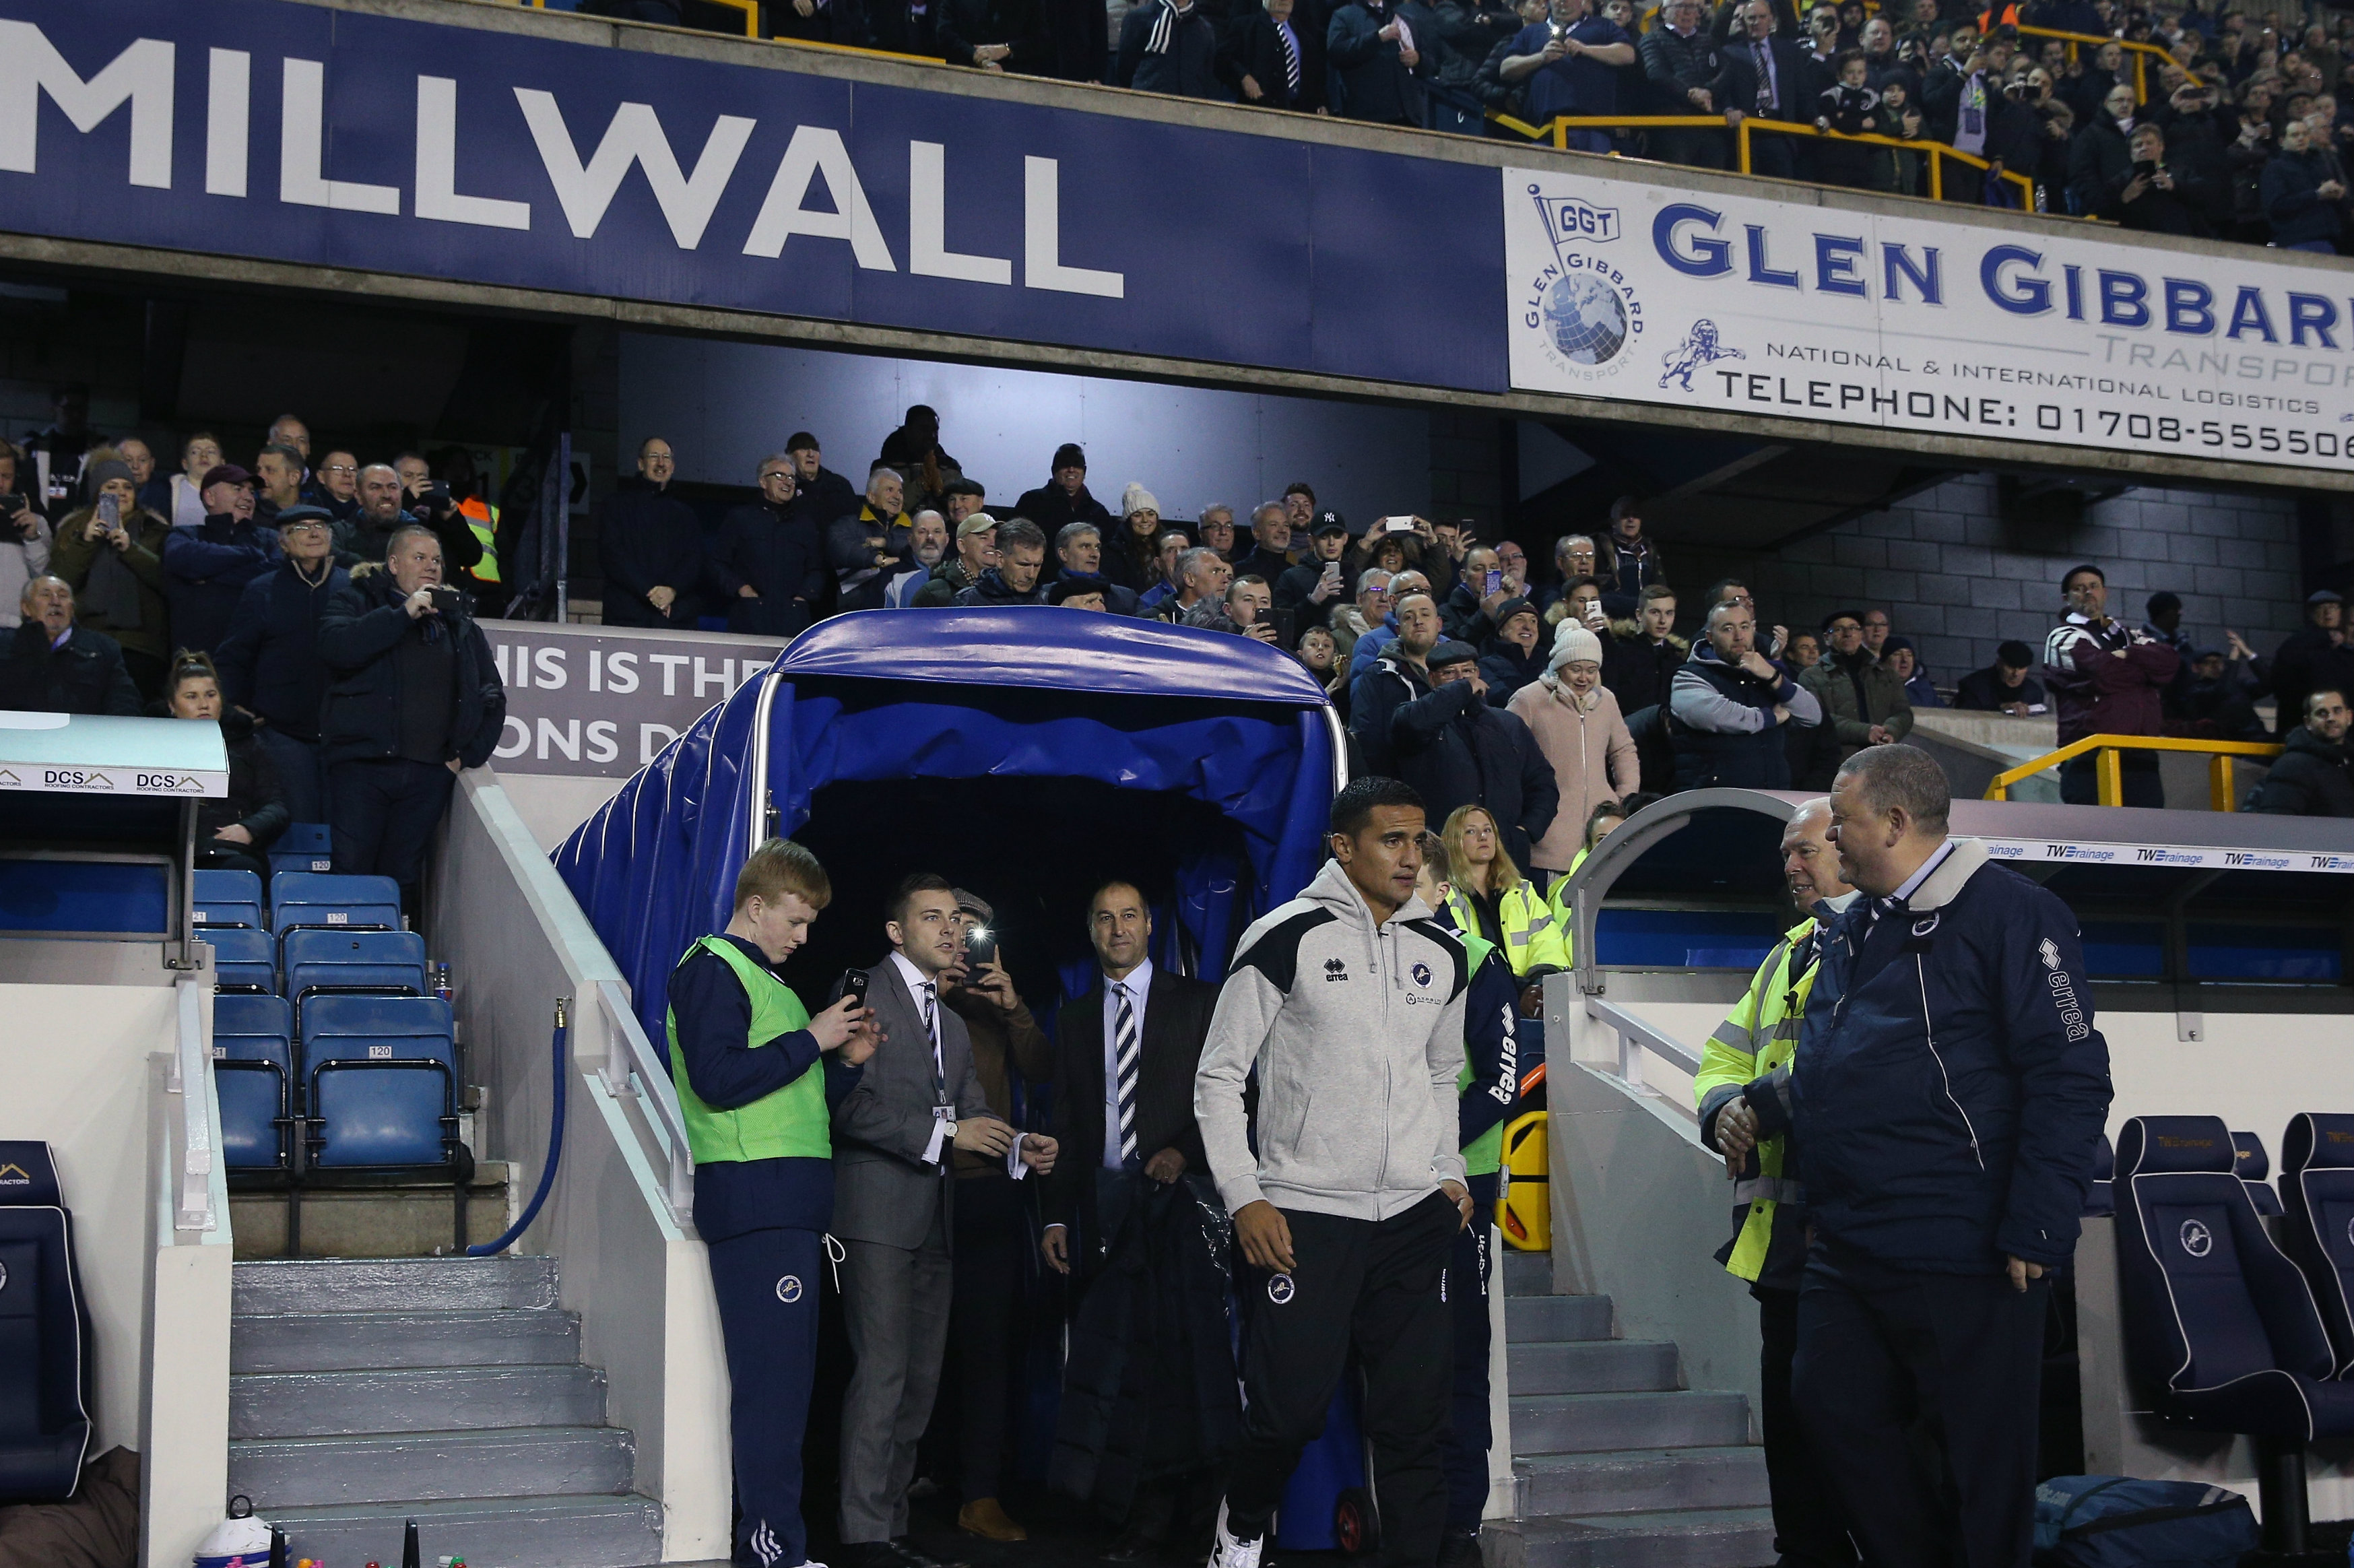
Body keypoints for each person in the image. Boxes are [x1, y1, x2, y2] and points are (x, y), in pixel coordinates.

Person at [1791, 746, 2112, 1567]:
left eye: (1843, 819)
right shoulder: (1854, 925)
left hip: (1966, 1244)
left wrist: (2038, 1227)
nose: (1829, 839)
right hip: (1849, 1239)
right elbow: (1834, 1062)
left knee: (1982, 1467)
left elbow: (2070, 1076)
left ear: (1896, 822)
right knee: (1830, 1412)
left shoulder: (2013, 912)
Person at [1196, 776, 1471, 1568]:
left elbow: (1443, 1074)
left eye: (1420, 840)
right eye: (1393, 840)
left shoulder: (1442, 949)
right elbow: (1219, 1077)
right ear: (1342, 847)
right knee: (1287, 1417)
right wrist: (1245, 1196)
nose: (1411, 857)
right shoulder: (1284, 936)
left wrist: (1448, 1172)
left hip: (1414, 1218)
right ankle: (1243, 1523)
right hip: (1305, 1215)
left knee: (1417, 1424)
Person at [831, 874, 1056, 1568]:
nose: (951, 932)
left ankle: (889, 1525)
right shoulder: (863, 995)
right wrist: (943, 1138)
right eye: (933, 919)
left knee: (921, 1379)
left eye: (956, 920)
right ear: (898, 932)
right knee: (884, 1374)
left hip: (939, 1216)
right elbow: (844, 1107)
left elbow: (971, 1110)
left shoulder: (954, 1024)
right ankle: (864, 1533)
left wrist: (1016, 1144)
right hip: (875, 1214)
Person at [666, 838, 878, 1568]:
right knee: (771, 1395)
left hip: (785, 1206)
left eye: (812, 923)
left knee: (786, 1391)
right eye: (795, 919)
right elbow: (719, 1080)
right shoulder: (711, 970)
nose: (803, 935)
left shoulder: (770, 987)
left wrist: (841, 1064)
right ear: (754, 907)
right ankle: (770, 1550)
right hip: (757, 1204)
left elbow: (796, 1103)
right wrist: (814, 1039)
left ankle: (778, 1545)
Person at [1042, 879, 1228, 1558]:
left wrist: (1184, 1150)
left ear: (1151, 925)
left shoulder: (1200, 1003)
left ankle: (1192, 1512)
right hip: (1105, 1211)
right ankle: (1136, 1513)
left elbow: (1234, 1097)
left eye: (1128, 916)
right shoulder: (1076, 1016)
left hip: (1180, 1213)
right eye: (1103, 918)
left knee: (1185, 1368)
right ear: (1091, 931)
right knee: (1120, 1368)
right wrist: (1056, 1217)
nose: (1117, 929)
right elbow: (1063, 1121)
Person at [1695, 799, 1858, 1568]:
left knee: (1853, 1443)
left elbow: (1846, 1056)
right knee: (1793, 1448)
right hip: (1781, 1253)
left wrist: (1754, 1109)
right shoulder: (1788, 950)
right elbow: (1724, 1054)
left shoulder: (1879, 937)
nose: (1792, 866)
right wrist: (1724, 1110)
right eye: (1786, 855)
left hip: (1850, 1247)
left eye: (1805, 851)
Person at [1412, 832, 1532, 1568]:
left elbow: (1501, 1083)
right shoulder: (1377, 966)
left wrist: (1430, 1147)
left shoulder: (1482, 967)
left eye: (1413, 879)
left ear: (1441, 890)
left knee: (1459, 1362)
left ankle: (1458, 1526)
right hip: (1384, 1191)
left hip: (1461, 1195)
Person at [934, 890, 1053, 1542]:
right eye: (949, 928)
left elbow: (1043, 1070)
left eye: (973, 933)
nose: (961, 941)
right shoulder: (913, 997)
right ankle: (920, 1472)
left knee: (987, 1346)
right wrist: (940, 993)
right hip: (916, 1185)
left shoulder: (996, 1003)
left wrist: (1013, 1008)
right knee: (912, 1347)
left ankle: (980, 1494)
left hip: (986, 1188)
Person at [316, 525, 507, 911]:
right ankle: (341, 964)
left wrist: (465, 755)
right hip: (362, 767)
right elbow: (337, 649)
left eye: (436, 560)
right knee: (351, 872)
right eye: (419, 558)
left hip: (428, 774)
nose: (431, 567)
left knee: (401, 878)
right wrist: (403, 614)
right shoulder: (355, 600)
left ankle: (388, 967)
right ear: (392, 564)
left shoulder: (460, 623)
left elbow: (491, 694)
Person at [214, 506, 350, 826]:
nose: (314, 533)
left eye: (320, 526)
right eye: (302, 528)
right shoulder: (262, 590)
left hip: (344, 731)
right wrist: (234, 707)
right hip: (284, 732)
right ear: (283, 542)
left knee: (344, 829)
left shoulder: (352, 588)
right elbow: (233, 656)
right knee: (298, 824)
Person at [1508, 623, 1637, 888]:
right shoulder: (1528, 699)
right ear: (1559, 666)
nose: (1584, 678)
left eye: (1592, 670)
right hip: (1546, 844)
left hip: (1599, 841)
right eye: (1575, 669)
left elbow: (1623, 749)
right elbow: (1503, 756)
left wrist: (1625, 797)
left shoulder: (1607, 700)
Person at [2041, 563, 2178, 808]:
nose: (2088, 593)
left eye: (2094, 586)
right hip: (2089, 757)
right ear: (2066, 598)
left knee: (2148, 836)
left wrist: (2127, 656)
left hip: (2142, 755)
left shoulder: (2130, 636)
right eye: (2079, 589)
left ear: (2105, 592)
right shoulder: (2062, 637)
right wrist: (2145, 672)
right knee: (2095, 838)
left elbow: (2169, 663)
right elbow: (2101, 674)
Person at [46, 455, 171, 700]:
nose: (121, 493)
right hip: (86, 642)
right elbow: (58, 585)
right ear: (97, 494)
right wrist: (86, 543)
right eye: (111, 487)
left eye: (127, 487)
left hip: (141, 647)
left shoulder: (155, 529)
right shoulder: (72, 530)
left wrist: (130, 548)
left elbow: (167, 580)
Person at [1670, 601, 1824, 789]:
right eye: (1728, 629)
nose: (1738, 636)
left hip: (1772, 796)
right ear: (1710, 637)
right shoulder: (1689, 675)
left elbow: (1813, 716)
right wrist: (1771, 717)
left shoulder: (1764, 672)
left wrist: (1774, 676)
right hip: (1713, 799)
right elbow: (1716, 715)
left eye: (1744, 627)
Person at [162, 651, 290, 877]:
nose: (203, 705)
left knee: (239, 872)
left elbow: (277, 807)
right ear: (172, 705)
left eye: (211, 695)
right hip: (169, 852)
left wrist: (249, 829)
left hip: (231, 853)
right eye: (191, 697)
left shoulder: (249, 744)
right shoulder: (153, 746)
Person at [1439, 803, 1568, 983]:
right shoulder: (1443, 895)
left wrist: (1538, 984)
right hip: (1475, 996)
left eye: (1488, 830)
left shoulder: (1522, 891)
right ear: (1453, 841)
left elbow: (1547, 942)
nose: (1482, 837)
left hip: (1529, 990)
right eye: (1470, 831)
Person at [162, 462, 281, 658]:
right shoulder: (186, 535)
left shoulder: (270, 538)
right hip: (199, 659)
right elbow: (180, 558)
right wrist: (249, 555)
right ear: (210, 496)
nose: (248, 497)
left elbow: (277, 574)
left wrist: (211, 578)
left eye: (251, 492)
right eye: (237, 489)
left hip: (255, 657)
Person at [713, 455, 827, 636]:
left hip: (794, 621)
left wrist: (802, 598)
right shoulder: (740, 519)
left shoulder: (805, 525)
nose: (788, 482)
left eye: (792, 477)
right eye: (780, 475)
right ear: (763, 482)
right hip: (749, 618)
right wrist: (742, 589)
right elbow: (718, 563)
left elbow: (817, 570)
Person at [1500, 0, 1638, 150]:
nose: (1563, 2)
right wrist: (1541, 57)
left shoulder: (1603, 25)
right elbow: (1506, 69)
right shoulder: (1531, 31)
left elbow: (1627, 54)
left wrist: (1585, 49)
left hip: (1594, 126)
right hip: (1544, 129)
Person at [0, 575, 139, 715]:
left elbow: (124, 701)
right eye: (46, 594)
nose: (55, 601)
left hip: (83, 734)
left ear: (72, 609)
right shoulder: (4, 646)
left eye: (63, 596)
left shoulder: (104, 648)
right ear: (26, 608)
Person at [1800, 610, 1911, 771]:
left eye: (1854, 628)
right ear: (1826, 638)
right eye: (1839, 629)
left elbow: (1903, 711)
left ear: (1861, 634)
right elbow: (1818, 718)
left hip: (1881, 763)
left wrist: (1891, 730)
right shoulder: (1811, 676)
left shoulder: (1885, 673)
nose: (1848, 634)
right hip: (1836, 763)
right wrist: (1865, 732)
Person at [1712, 2, 1812, 180]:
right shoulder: (1730, 52)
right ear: (1743, 22)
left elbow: (1803, 91)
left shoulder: (1789, 51)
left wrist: (1816, 116)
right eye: (1751, 18)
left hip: (1779, 131)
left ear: (1772, 20)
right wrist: (1728, 109)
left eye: (1762, 17)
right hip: (1745, 129)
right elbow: (1723, 89)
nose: (1756, 22)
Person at [1643, 0, 1728, 166]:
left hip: (1711, 126)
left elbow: (1725, 71)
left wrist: (1709, 92)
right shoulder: (1652, 39)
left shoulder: (1709, 41)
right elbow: (1657, 74)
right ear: (1664, 12)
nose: (1687, 12)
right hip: (1673, 127)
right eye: (1681, 7)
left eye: (1692, 7)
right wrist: (1691, 94)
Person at [2249, 688, 2354, 816]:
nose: (2331, 718)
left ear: (2349, 717)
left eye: (2337, 711)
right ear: (2308, 722)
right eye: (2322, 713)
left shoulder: (2347, 763)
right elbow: (2277, 823)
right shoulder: (2292, 766)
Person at [2269, 589, 2354, 738]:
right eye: (2322, 608)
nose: (2328, 613)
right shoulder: (2297, 645)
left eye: (2334, 607)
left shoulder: (2342, 649)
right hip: (2303, 728)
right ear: (2311, 613)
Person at [830, 466, 915, 614]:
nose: (897, 496)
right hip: (856, 609)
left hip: (902, 608)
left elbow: (919, 545)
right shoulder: (850, 524)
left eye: (900, 491)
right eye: (890, 490)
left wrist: (886, 542)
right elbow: (839, 546)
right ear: (871, 497)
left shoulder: (913, 526)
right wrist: (876, 559)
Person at [1326, 0, 1427, 123]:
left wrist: (1418, 58)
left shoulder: (1403, 17)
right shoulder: (1344, 15)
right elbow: (1336, 53)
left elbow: (1433, 62)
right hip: (1368, 116)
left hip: (1409, 115)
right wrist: (1377, 38)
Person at [1117, 0, 1222, 94]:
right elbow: (1125, 69)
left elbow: (1207, 76)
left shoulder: (1204, 29)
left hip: (1191, 107)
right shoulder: (1138, 19)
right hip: (1146, 103)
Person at [878, 405, 966, 517]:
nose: (932, 436)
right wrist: (922, 484)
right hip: (899, 532)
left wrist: (938, 486)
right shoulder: (884, 470)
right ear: (908, 430)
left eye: (935, 430)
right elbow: (886, 510)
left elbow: (961, 510)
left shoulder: (950, 468)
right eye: (924, 430)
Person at [1014, 445, 1115, 540]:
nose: (1071, 469)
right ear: (1054, 470)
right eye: (1065, 464)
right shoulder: (1031, 502)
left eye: (1077, 464)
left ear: (1084, 472)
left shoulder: (1099, 512)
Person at [1274, 514, 1353, 632]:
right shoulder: (1291, 577)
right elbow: (1281, 625)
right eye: (1324, 537)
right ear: (1311, 540)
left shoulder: (1356, 576)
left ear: (1345, 538)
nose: (1331, 543)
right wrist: (1313, 600)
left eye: (1337, 536)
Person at [0, 447, 51, 632]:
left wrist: (32, 539)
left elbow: (46, 578)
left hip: (19, 628)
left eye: (6, 476)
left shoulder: (37, 523)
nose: (0, 483)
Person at [953, 517, 1050, 606]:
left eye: (1037, 565)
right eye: (1023, 565)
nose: (1031, 575)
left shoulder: (1046, 603)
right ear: (1000, 559)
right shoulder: (968, 602)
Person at [1051, 523, 1141, 614]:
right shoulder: (1045, 596)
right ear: (1064, 554)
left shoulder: (1126, 597)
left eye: (1097, 547)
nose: (1094, 554)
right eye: (1085, 547)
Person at [914, 514, 1000, 608]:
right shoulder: (933, 594)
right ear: (962, 546)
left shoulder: (1007, 589)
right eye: (984, 538)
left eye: (997, 539)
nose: (993, 544)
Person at [1479, 597, 1546, 703]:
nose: (1528, 627)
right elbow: (1501, 698)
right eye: (1519, 620)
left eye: (1533, 621)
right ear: (1501, 630)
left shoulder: (1549, 663)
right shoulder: (1486, 666)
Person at [1953, 641, 2048, 715]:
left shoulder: (2034, 692)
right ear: (1999, 664)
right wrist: (2000, 708)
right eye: (2011, 667)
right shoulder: (1974, 686)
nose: (2016, 674)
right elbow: (1965, 716)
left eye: (2021, 668)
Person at [785, 432, 859, 521]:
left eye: (815, 449)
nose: (811, 454)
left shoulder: (840, 485)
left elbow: (855, 523)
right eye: (804, 448)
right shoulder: (784, 485)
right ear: (789, 455)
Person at [1878, 636, 1940, 709]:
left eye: (1909, 655)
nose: (1904, 660)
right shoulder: (1873, 685)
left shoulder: (1926, 689)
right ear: (1885, 662)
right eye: (1897, 654)